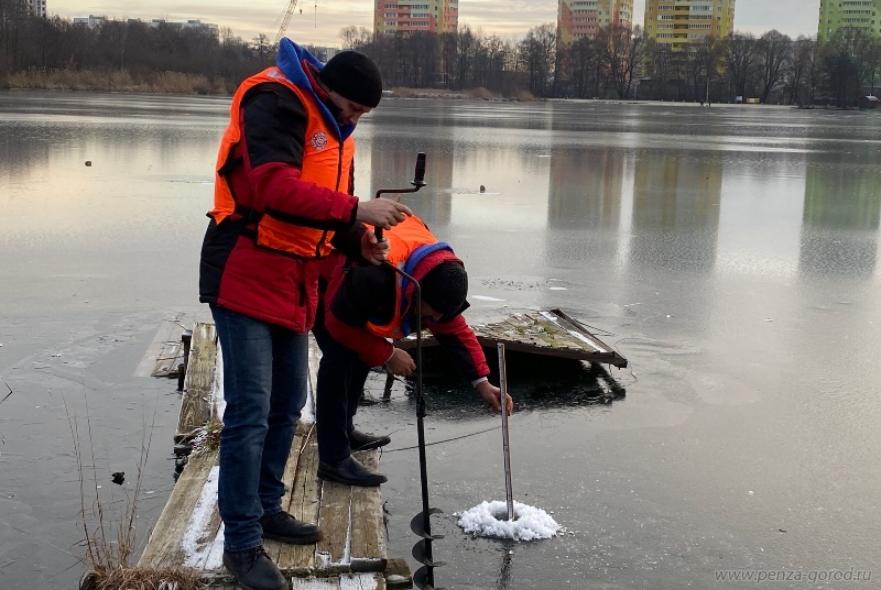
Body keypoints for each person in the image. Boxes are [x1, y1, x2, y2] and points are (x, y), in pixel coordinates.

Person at [199, 39, 410, 590]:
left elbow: (320, 201)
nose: (357, 120)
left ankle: (267, 508)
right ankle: (241, 546)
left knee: (288, 402)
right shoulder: (275, 99)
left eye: (364, 115)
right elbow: (271, 186)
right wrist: (356, 210)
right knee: (250, 410)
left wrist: (355, 241)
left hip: (294, 280)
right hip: (245, 270)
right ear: (329, 89)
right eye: (355, 109)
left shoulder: (332, 123)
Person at [314, 214, 514, 487]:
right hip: (320, 281)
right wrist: (388, 354)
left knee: (361, 354)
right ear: (416, 293)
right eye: (428, 312)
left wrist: (482, 383)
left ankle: (345, 430)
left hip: (357, 289)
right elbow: (338, 325)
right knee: (340, 359)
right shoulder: (375, 275)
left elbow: (454, 329)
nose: (430, 320)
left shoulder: (439, 278)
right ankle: (333, 459)